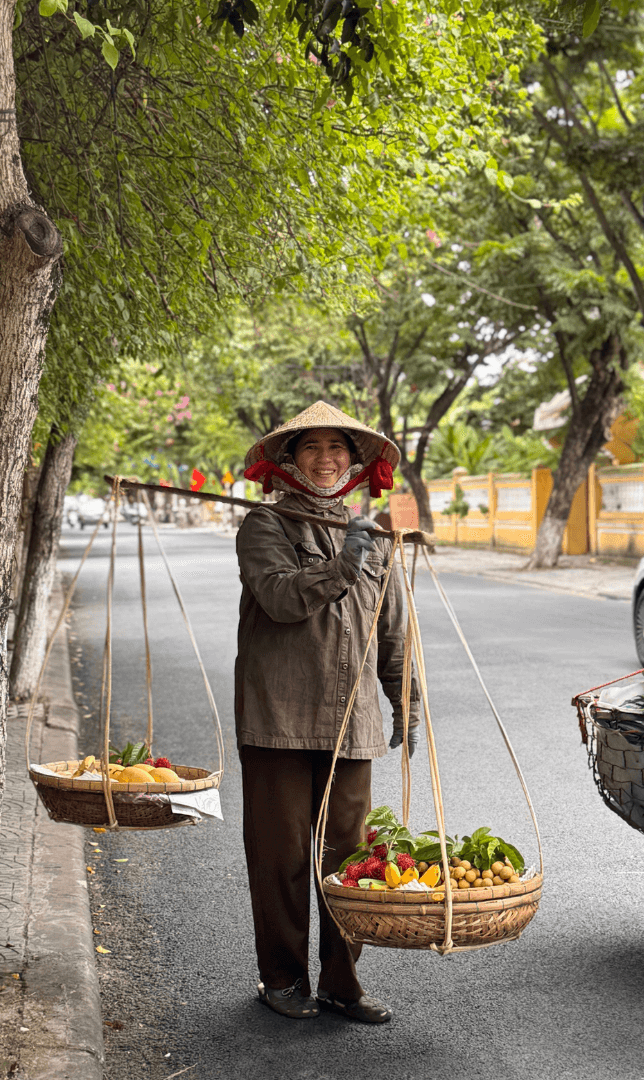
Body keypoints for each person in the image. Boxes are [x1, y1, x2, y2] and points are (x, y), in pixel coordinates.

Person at [235, 400, 419, 1024]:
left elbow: (393, 634)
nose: (324, 459)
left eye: (336, 448)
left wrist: (407, 703)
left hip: (352, 723)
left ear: (355, 461)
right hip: (278, 719)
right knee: (280, 856)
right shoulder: (264, 525)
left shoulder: (372, 538)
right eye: (310, 448)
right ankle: (282, 979)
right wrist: (341, 568)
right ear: (289, 461)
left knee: (348, 862)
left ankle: (343, 983)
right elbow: (282, 598)